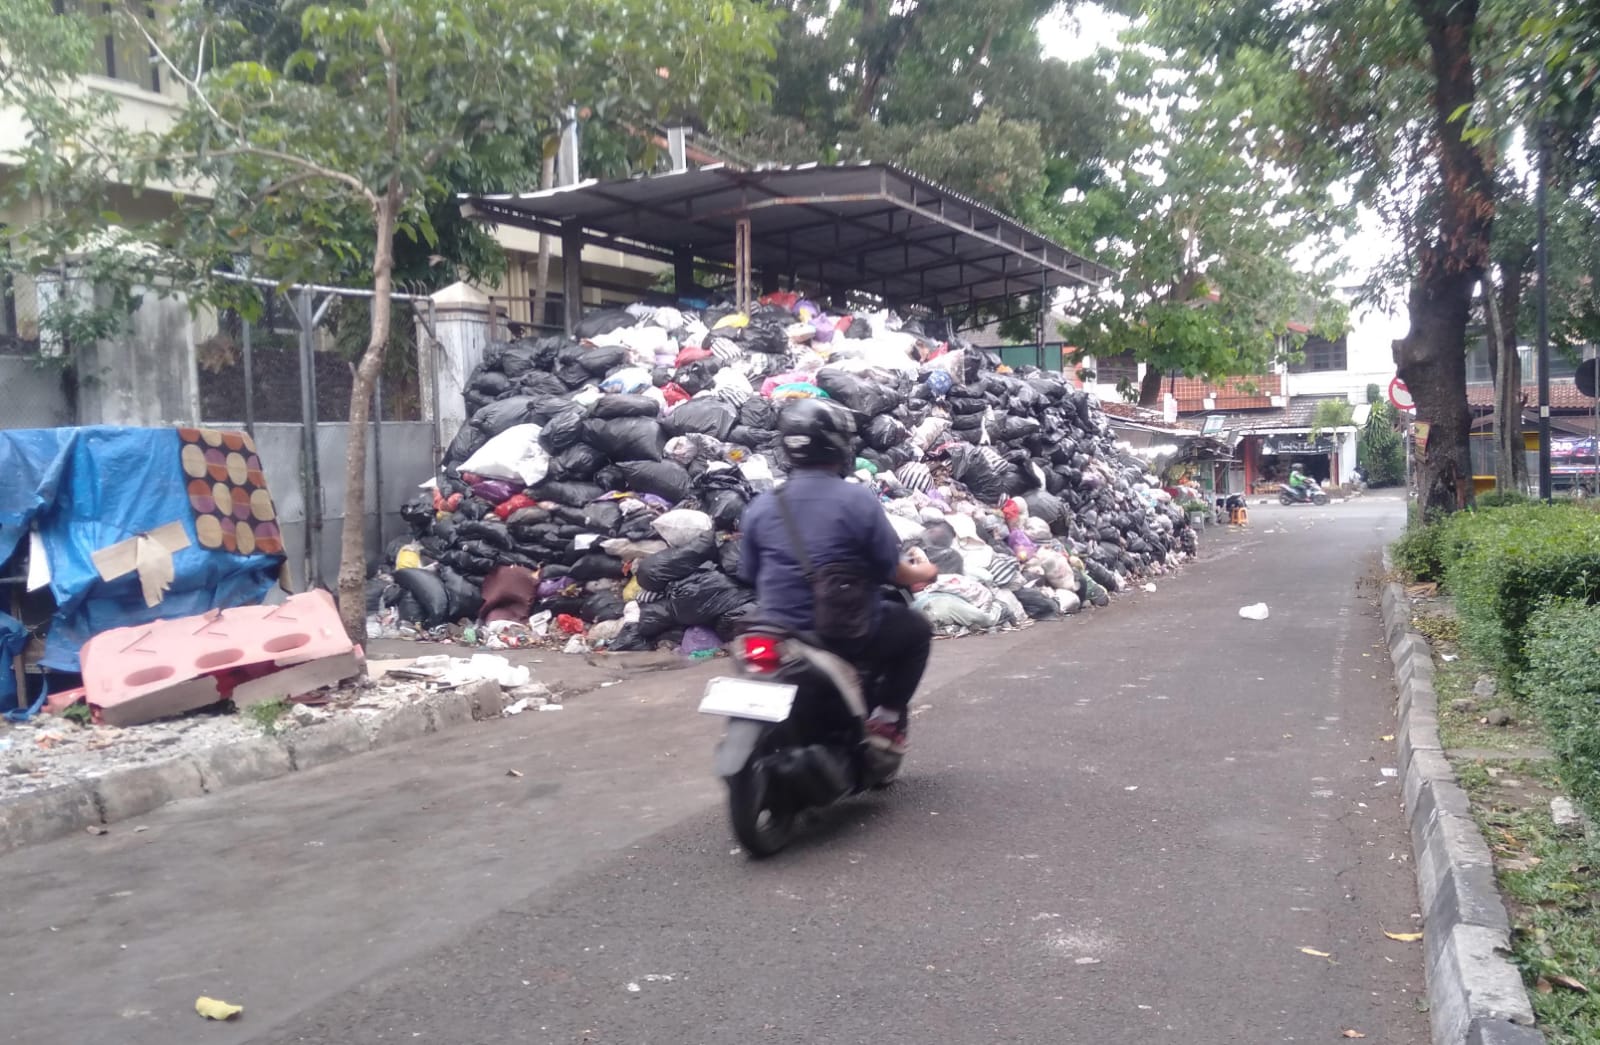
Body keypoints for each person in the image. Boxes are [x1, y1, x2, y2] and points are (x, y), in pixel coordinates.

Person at [737, 399, 937, 755]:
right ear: (839, 446)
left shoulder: (762, 505)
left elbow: (750, 574)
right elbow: (892, 570)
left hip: (773, 628)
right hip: (838, 630)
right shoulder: (856, 500)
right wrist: (927, 570)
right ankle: (887, 720)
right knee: (916, 630)